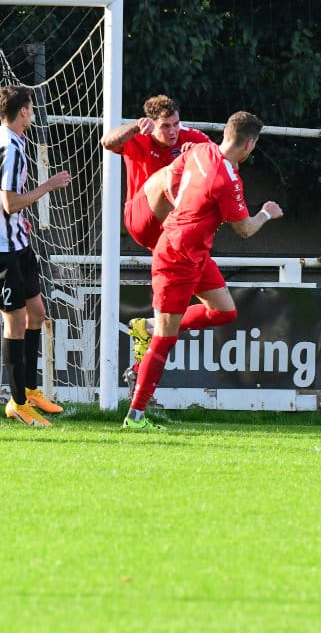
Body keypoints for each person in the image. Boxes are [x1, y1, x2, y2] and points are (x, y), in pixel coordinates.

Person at [122, 111, 283, 429]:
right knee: (166, 340)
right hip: (176, 258)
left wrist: (184, 209)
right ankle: (135, 416)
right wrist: (266, 213)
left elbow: (170, 178)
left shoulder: (199, 150)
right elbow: (245, 230)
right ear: (249, 144)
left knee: (224, 311)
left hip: (195, 254)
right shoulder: (228, 181)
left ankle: (149, 326)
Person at [0, 84, 72, 427]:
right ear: (24, 111)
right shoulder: (9, 146)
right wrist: (49, 185)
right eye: (31, 107)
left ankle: (30, 391)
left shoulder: (3, 139)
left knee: (37, 313)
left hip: (17, 243)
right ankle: (17, 403)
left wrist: (15, 218)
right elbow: (9, 202)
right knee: (14, 321)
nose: (33, 112)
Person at [100, 95, 213, 374]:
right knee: (171, 173)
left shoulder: (190, 137)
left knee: (222, 310)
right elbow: (108, 142)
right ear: (151, 124)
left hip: (173, 233)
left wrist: (201, 153)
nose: (173, 131)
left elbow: (222, 160)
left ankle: (147, 330)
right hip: (142, 219)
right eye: (165, 126)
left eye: (176, 124)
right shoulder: (139, 138)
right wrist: (134, 127)